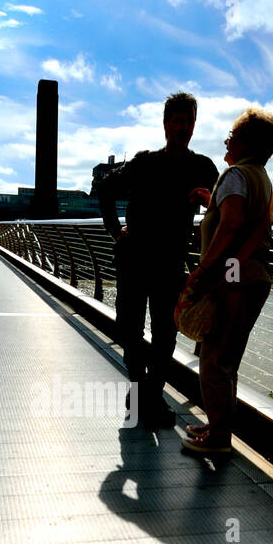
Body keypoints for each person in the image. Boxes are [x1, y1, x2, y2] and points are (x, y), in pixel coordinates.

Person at [99, 91, 218, 427]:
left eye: (188, 121)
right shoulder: (144, 162)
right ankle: (141, 392)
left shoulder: (202, 167)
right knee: (130, 330)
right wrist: (115, 230)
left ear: (194, 126)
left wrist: (208, 204)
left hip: (170, 264)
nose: (183, 127)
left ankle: (149, 396)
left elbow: (225, 206)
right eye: (177, 121)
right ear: (166, 124)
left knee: (166, 335)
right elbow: (105, 190)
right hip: (133, 259)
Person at [178, 107, 273, 455]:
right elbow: (243, 217)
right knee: (227, 361)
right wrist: (212, 203)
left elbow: (233, 223)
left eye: (232, 136)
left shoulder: (235, 174)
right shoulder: (260, 177)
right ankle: (218, 427)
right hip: (251, 277)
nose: (226, 140)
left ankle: (219, 440)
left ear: (247, 143)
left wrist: (204, 270)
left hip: (233, 277)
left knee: (214, 360)